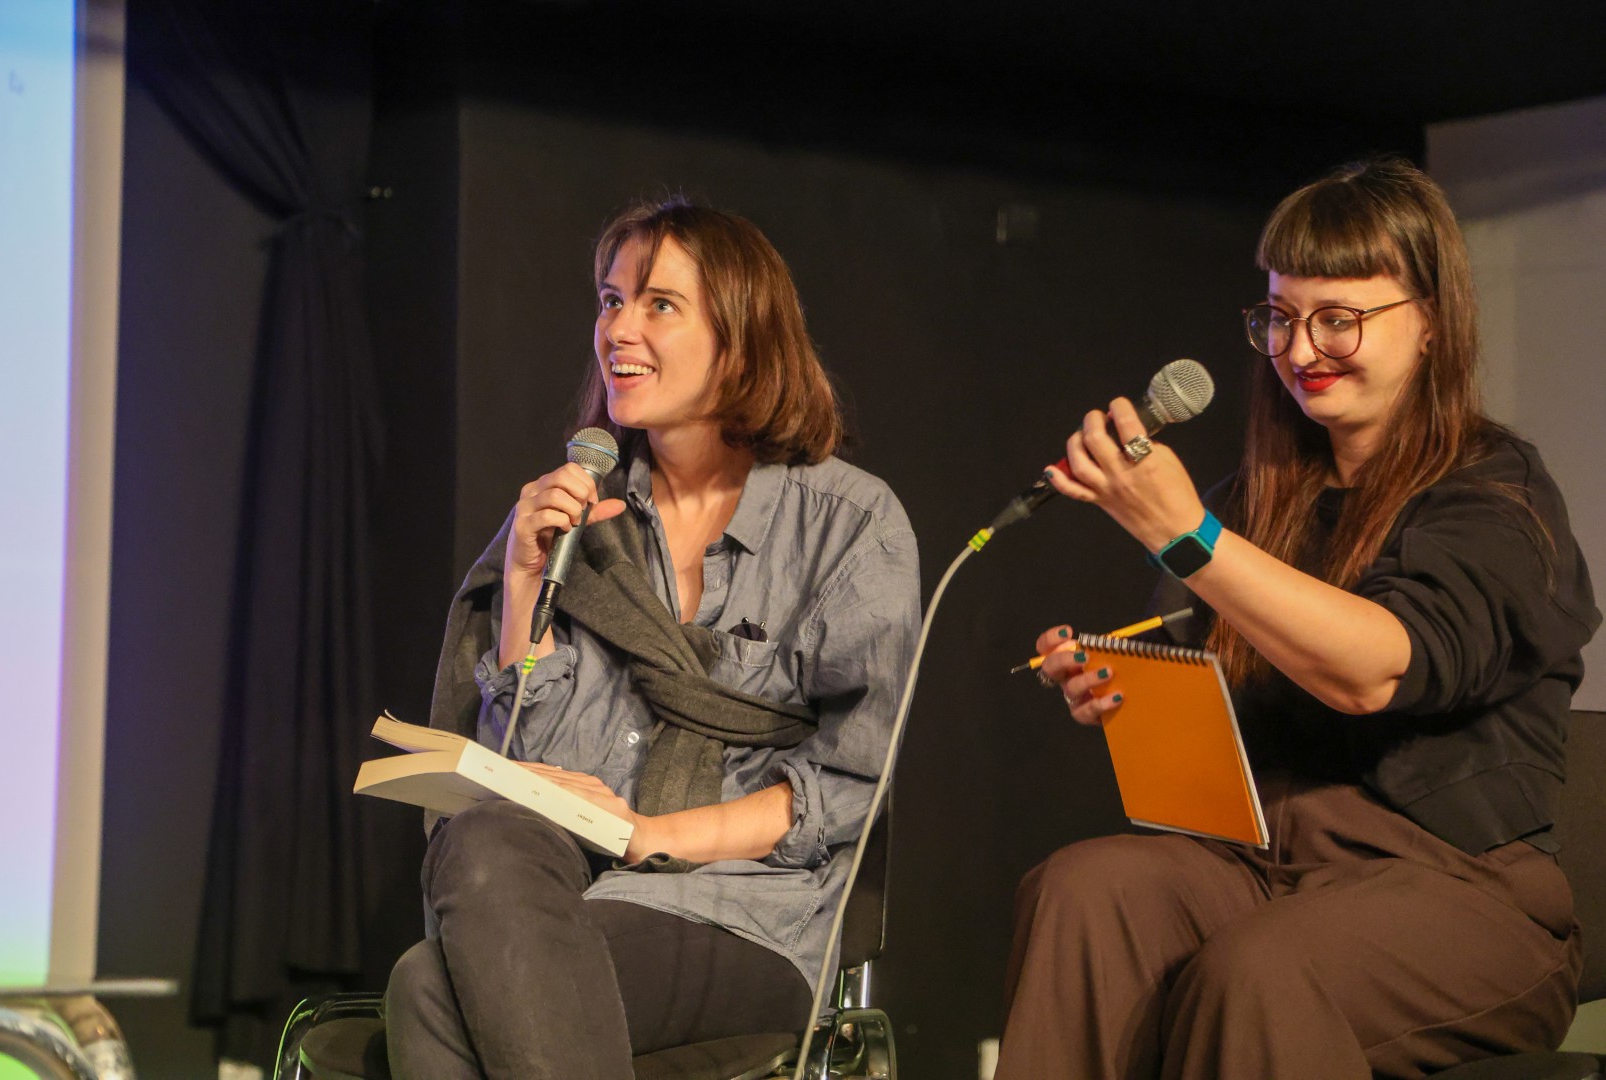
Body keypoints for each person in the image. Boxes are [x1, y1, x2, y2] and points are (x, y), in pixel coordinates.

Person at [996, 157, 1600, 1079]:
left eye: (1338, 319)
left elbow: (1376, 669)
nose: (1302, 350)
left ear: (1431, 322)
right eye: (1280, 318)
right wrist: (1113, 684)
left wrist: (1189, 538)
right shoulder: (1250, 502)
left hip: (1461, 891)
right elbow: (1203, 703)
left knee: (1260, 969)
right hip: (1265, 865)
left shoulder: (1496, 494)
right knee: (1085, 889)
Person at [384, 199, 921, 1078]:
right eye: (610, 301)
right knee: (480, 841)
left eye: (658, 304)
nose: (618, 329)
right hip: (567, 894)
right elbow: (517, 770)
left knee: (427, 990)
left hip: (747, 913)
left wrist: (651, 834)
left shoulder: (849, 525)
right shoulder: (580, 518)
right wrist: (521, 586)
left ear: (741, 341)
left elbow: (849, 783)